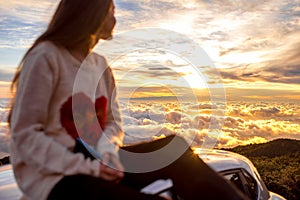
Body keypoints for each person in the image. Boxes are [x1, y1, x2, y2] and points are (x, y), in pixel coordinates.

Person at [8, 0, 248, 199]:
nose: (115, 19)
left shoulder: (100, 65)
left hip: (99, 162)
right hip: (56, 178)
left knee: (174, 149)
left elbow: (113, 122)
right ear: (92, 12)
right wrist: (88, 167)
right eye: (111, 11)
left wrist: (108, 154)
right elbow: (25, 134)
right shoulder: (46, 57)